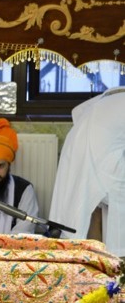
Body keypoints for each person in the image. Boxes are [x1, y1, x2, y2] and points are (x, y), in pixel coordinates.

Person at [49, 87, 125, 258]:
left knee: (90, 207)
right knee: (113, 214)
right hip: (97, 146)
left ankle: (96, 268)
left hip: (79, 141)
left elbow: (77, 111)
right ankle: (114, 268)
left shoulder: (112, 97)